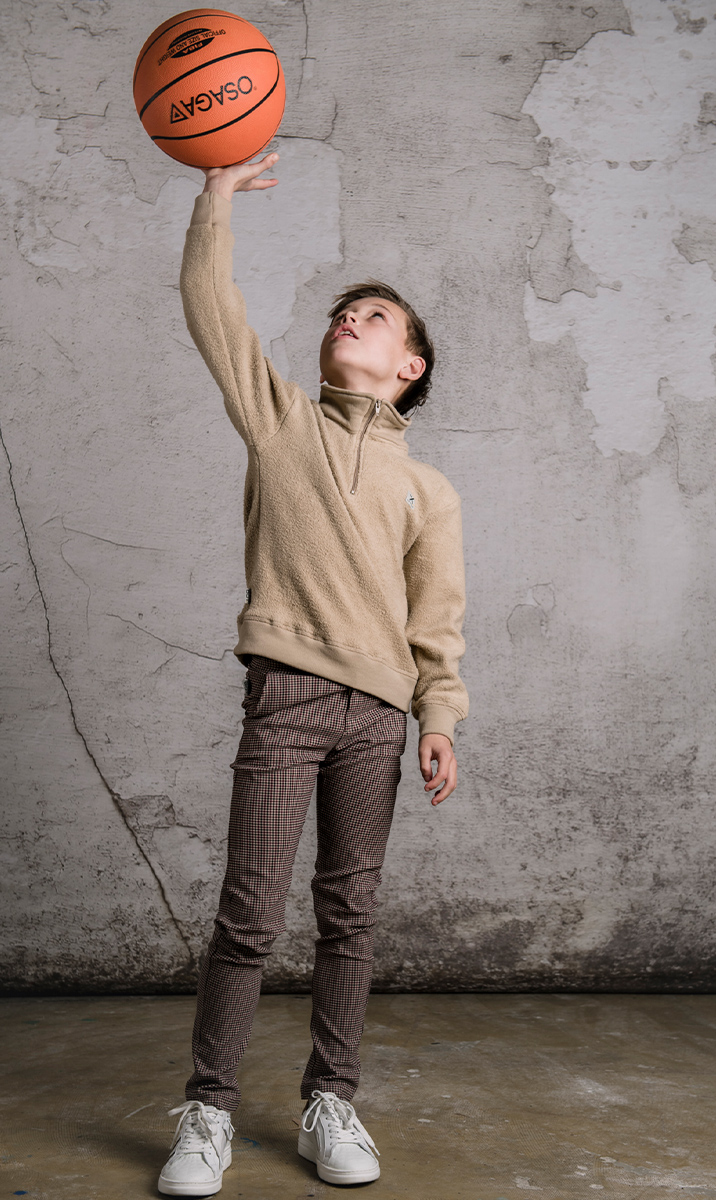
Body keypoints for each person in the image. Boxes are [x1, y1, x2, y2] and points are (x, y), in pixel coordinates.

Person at [157, 154, 469, 1196]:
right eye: (343, 313)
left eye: (373, 317)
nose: (349, 321)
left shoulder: (429, 490)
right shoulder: (281, 422)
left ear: (408, 365)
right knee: (249, 915)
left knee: (350, 915)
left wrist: (438, 716)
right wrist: (214, 198)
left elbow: (436, 621)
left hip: (378, 717)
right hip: (287, 699)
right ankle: (207, 1110)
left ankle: (330, 1100)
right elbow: (212, 307)